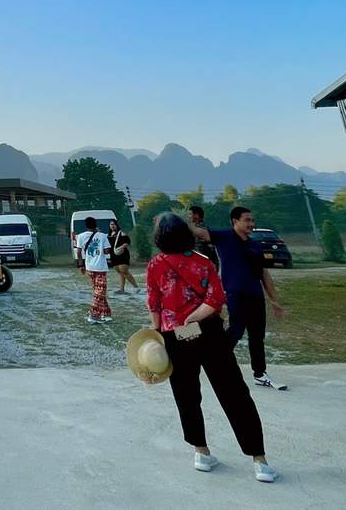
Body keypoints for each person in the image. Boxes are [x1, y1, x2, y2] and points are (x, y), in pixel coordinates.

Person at [147, 213, 277, 483]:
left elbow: (154, 303)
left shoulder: (155, 265)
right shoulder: (203, 263)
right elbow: (217, 298)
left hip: (176, 336)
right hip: (209, 332)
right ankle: (260, 461)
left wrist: (158, 333)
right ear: (187, 234)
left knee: (187, 395)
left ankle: (201, 452)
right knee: (234, 393)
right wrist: (196, 316)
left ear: (159, 238)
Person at [192, 206, 288, 390]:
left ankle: (260, 374)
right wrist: (172, 219)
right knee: (235, 331)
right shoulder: (224, 237)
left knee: (257, 336)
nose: (251, 224)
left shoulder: (254, 245)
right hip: (235, 294)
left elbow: (264, 274)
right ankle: (217, 364)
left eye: (252, 220)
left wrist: (274, 301)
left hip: (255, 295)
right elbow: (199, 232)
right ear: (235, 221)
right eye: (247, 220)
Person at [75, 216, 114, 323]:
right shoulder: (102, 236)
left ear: (86, 225)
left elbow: (79, 252)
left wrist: (81, 265)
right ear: (96, 224)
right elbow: (107, 251)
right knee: (100, 292)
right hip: (100, 267)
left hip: (89, 267)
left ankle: (106, 313)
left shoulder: (81, 236)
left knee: (98, 292)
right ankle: (93, 315)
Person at [108, 219, 140, 295]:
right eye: (111, 224)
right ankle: (122, 289)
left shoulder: (121, 233)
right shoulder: (108, 234)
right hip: (113, 255)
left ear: (116, 225)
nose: (112, 226)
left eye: (113, 224)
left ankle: (136, 287)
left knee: (124, 270)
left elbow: (128, 241)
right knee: (119, 271)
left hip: (122, 254)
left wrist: (123, 246)